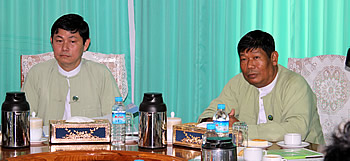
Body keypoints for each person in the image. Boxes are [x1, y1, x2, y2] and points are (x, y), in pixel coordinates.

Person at [198, 30, 325, 144]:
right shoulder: (238, 83)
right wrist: (218, 122)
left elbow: (296, 129)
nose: (250, 66)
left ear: (273, 58)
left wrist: (242, 130)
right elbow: (208, 114)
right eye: (244, 59)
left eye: (256, 58)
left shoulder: (295, 84)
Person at [22, 14, 121, 125]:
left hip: (91, 141)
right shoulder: (37, 73)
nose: (65, 48)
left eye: (72, 42)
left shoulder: (101, 74)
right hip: (47, 141)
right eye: (59, 41)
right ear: (51, 41)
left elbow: (116, 118)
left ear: (85, 44)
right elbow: (24, 118)